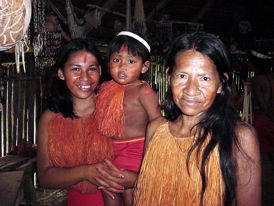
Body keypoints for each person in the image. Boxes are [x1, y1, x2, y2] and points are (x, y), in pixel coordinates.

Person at [134, 31, 261, 206]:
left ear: (220, 84)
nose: (191, 90)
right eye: (182, 76)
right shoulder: (155, 129)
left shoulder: (239, 137)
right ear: (169, 76)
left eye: (205, 78)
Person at [37, 38, 125, 206]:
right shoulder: (50, 119)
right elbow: (45, 177)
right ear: (61, 73)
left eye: (91, 69)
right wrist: (85, 172)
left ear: (100, 70)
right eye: (76, 69)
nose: (85, 77)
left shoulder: (116, 109)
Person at [94, 31, 161, 206]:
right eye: (117, 60)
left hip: (137, 153)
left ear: (144, 67)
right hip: (112, 152)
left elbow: (159, 124)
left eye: (131, 61)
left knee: (133, 197)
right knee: (108, 188)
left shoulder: (143, 91)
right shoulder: (106, 90)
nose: (122, 67)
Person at [249, 51, 274, 162]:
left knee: (262, 153)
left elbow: (262, 104)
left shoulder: (257, 80)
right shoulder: (270, 78)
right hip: (270, 118)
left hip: (261, 119)